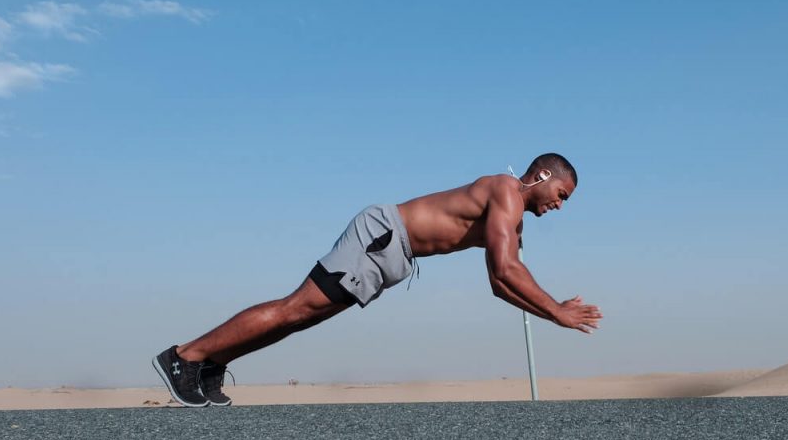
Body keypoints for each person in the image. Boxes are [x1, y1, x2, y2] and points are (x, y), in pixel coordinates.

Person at [153, 153, 603, 407]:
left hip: (393, 252)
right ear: (542, 176)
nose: (560, 205)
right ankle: (184, 356)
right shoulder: (505, 192)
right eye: (561, 195)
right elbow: (508, 270)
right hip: (384, 235)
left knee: (300, 319)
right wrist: (557, 312)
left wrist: (553, 313)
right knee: (296, 308)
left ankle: (210, 365)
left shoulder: (513, 221)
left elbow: (501, 283)